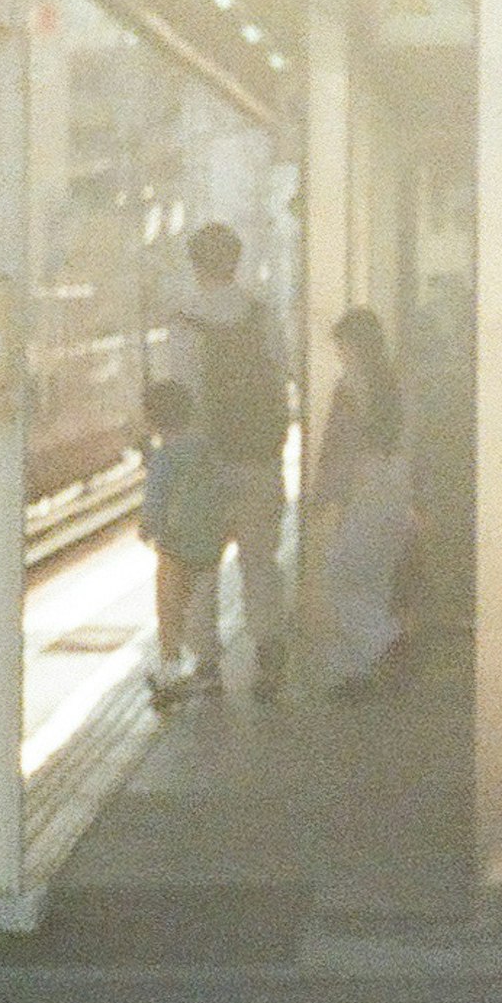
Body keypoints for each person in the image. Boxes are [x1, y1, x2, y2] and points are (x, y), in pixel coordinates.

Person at [175, 221, 293, 699]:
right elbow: (283, 374)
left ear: (197, 264)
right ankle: (267, 655)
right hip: (259, 462)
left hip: (205, 465)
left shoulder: (185, 322)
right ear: (236, 262)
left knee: (201, 565)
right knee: (260, 563)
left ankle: (206, 663)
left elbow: (178, 397)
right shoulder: (262, 317)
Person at [307, 307, 413, 697]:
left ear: (354, 344)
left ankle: (385, 641)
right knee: (375, 580)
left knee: (340, 574)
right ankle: (355, 672)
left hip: (365, 484)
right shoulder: (397, 380)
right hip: (397, 482)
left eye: (342, 345)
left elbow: (338, 446)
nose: (339, 353)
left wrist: (322, 495)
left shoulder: (349, 388)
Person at [138, 380, 223, 708]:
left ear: (153, 419)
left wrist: (148, 527)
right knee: (205, 605)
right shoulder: (205, 448)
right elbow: (220, 486)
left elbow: (156, 498)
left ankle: (171, 669)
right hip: (208, 543)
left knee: (171, 608)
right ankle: (209, 665)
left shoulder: (165, 456)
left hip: (175, 546)